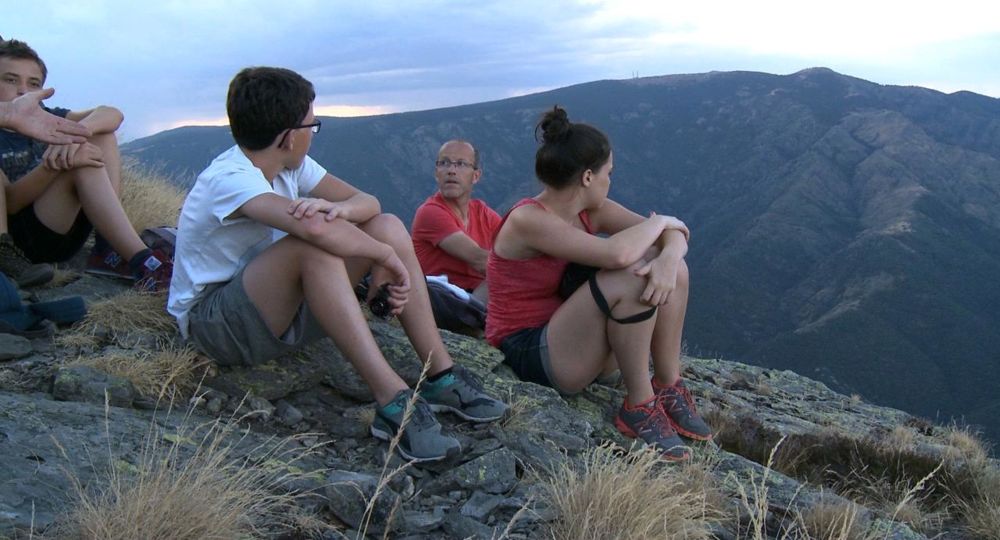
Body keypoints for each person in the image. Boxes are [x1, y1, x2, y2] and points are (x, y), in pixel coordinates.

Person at [168, 67, 507, 463]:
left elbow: (370, 203)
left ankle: (440, 375)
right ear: (288, 136)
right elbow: (313, 230)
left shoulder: (291, 166)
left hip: (275, 309)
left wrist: (342, 210)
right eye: (312, 124)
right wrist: (384, 258)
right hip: (217, 325)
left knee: (388, 226)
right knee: (312, 246)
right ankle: (392, 402)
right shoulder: (228, 177)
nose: (313, 132)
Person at [486, 106, 712, 461]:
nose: (611, 180)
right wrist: (663, 223)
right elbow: (617, 257)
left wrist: (668, 258)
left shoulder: (591, 210)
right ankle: (639, 405)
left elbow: (678, 237)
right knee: (634, 278)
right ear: (588, 177)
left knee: (674, 271)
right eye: (609, 173)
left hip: (576, 341)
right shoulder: (528, 219)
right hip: (534, 353)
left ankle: (668, 387)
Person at [0, 39, 170, 290]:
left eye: (33, 83)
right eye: (10, 80)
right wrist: (53, 166)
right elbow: (11, 203)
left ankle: (108, 248)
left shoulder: (48, 117)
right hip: (19, 242)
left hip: (58, 229)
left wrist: (76, 133)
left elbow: (112, 113)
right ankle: (142, 260)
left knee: (100, 135)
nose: (24, 91)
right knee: (80, 158)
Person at [411, 140, 500, 335]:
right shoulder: (431, 212)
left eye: (460, 164)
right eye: (444, 163)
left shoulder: (483, 213)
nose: (451, 170)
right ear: (436, 173)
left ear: (475, 176)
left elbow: (513, 241)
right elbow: (480, 260)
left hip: (475, 299)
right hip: (445, 304)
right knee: (503, 273)